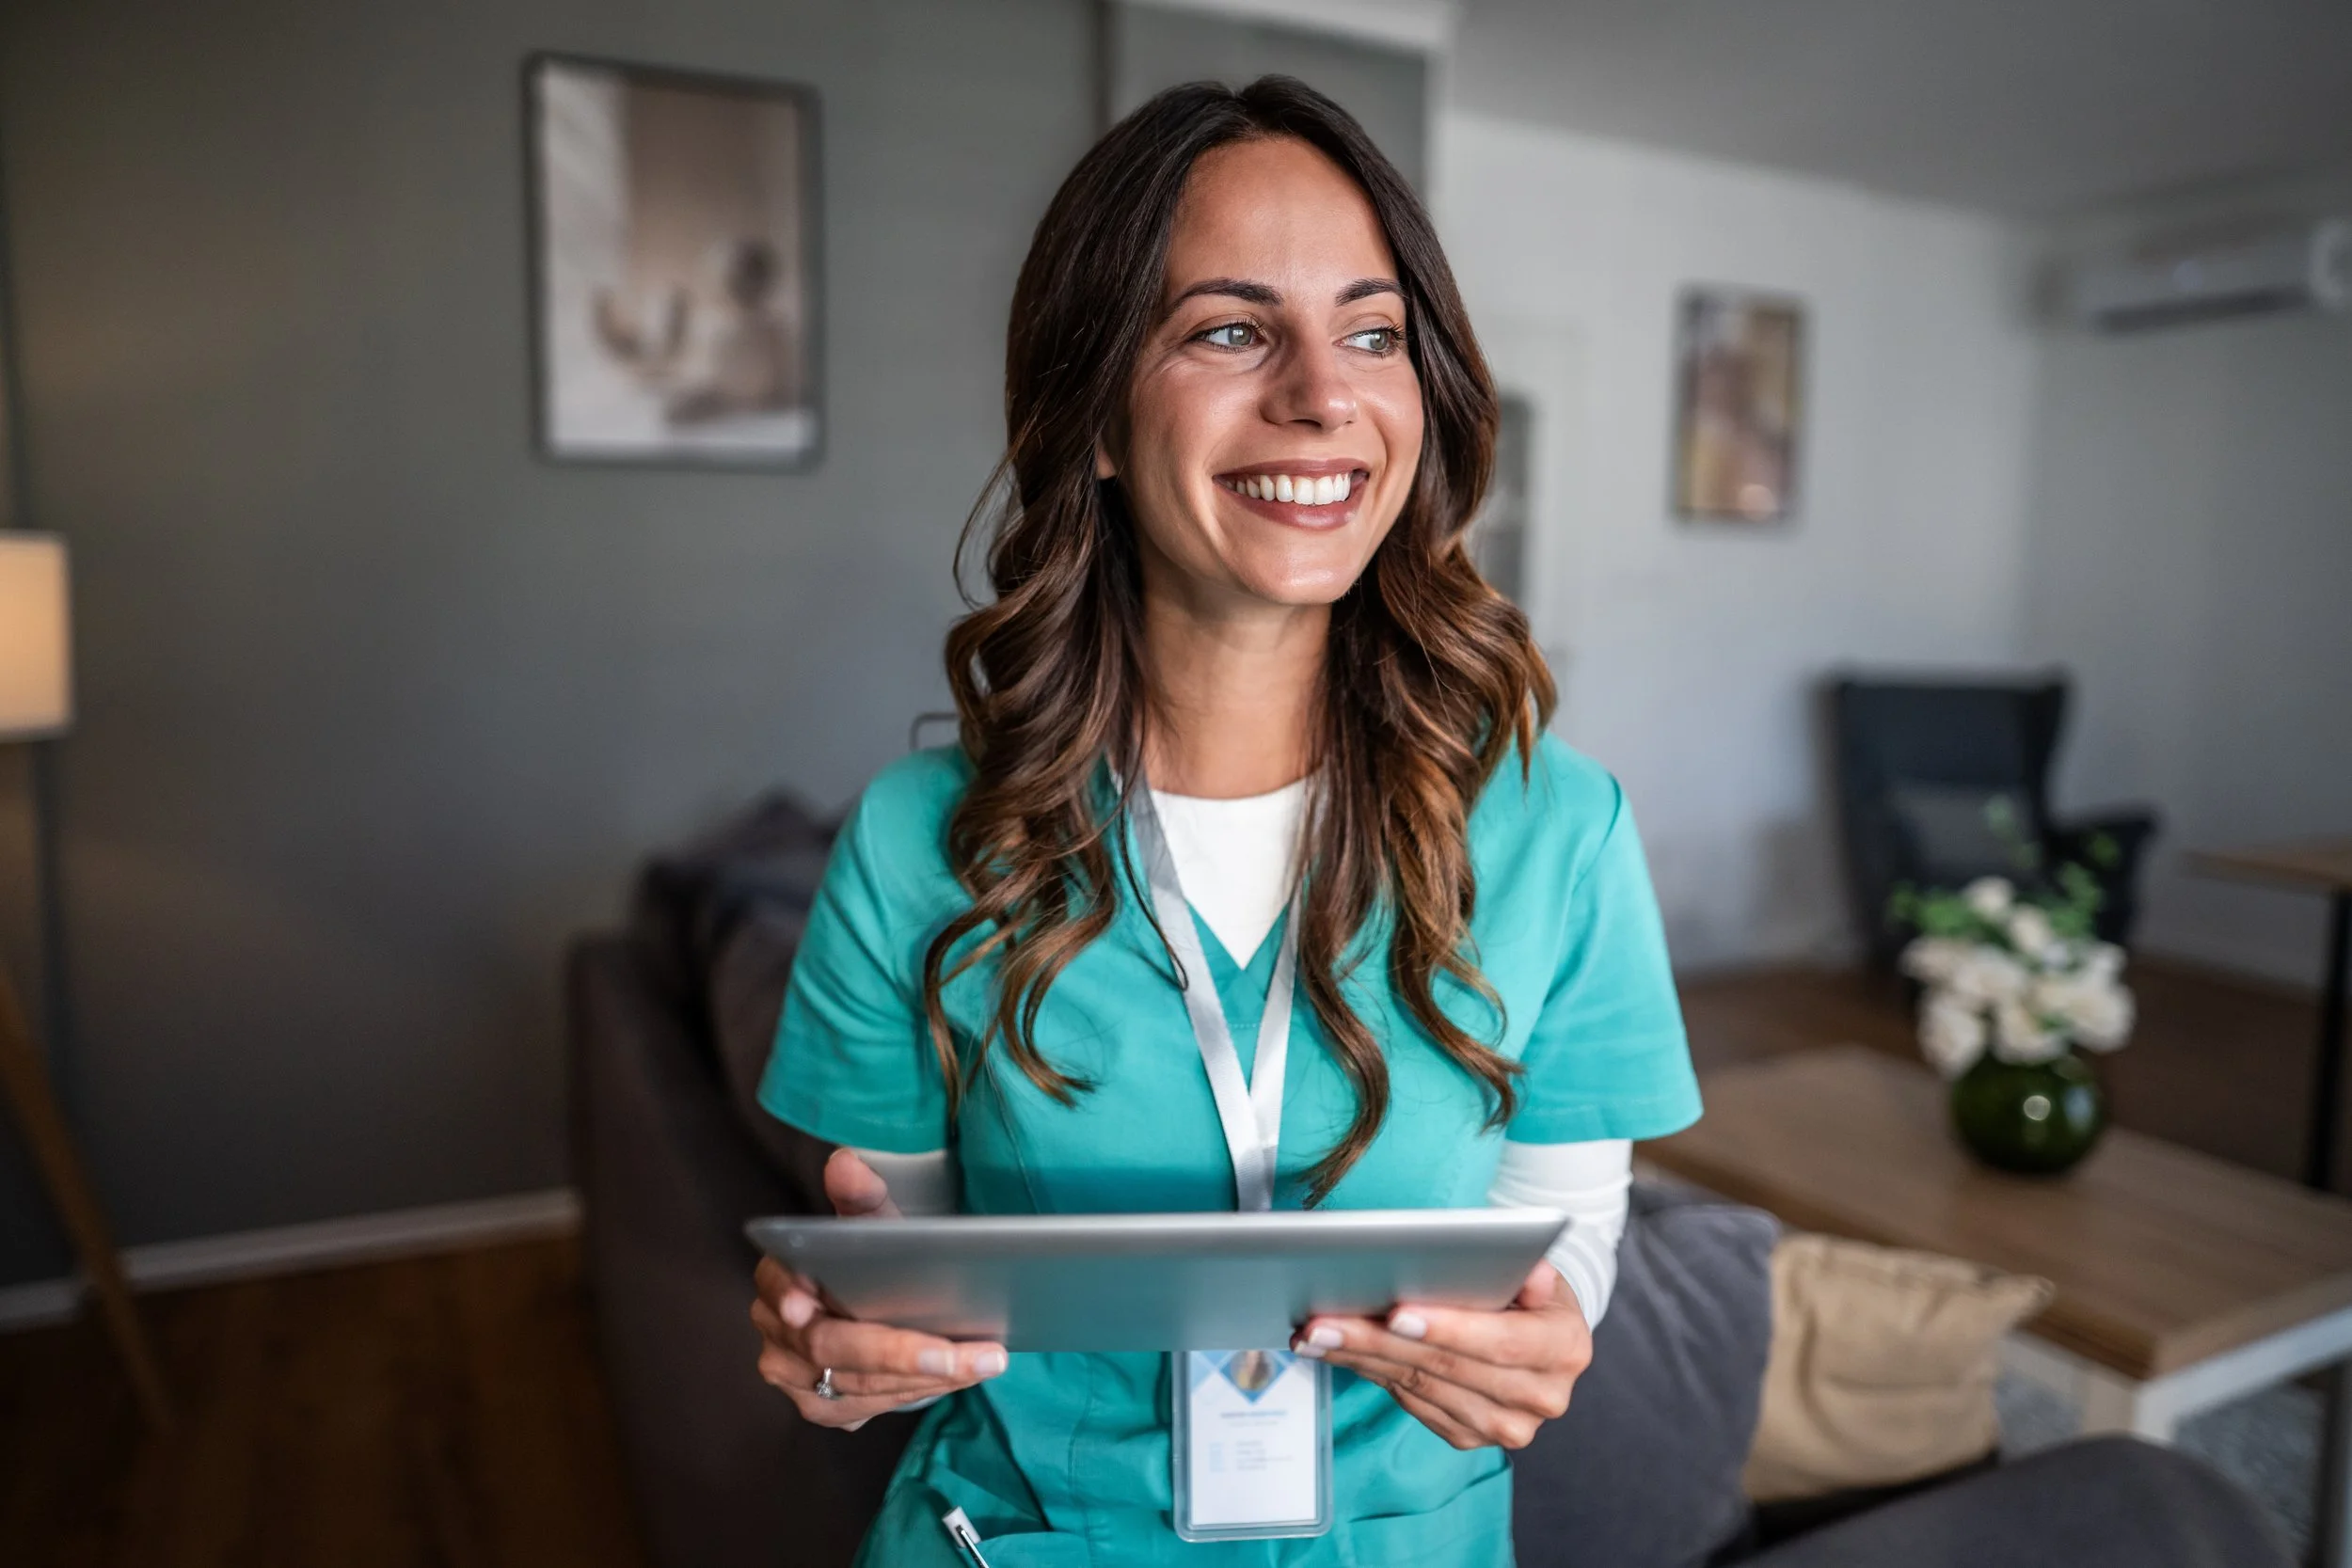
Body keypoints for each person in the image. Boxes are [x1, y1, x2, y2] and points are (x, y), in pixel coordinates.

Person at [749, 76, 1700, 1565]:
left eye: (1373, 331)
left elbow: (1562, 1228)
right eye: (1231, 328)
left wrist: (1545, 1334)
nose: (1324, 394)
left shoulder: (1560, 831)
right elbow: (902, 1280)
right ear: (1100, 418)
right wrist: (842, 1344)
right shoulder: (915, 845)